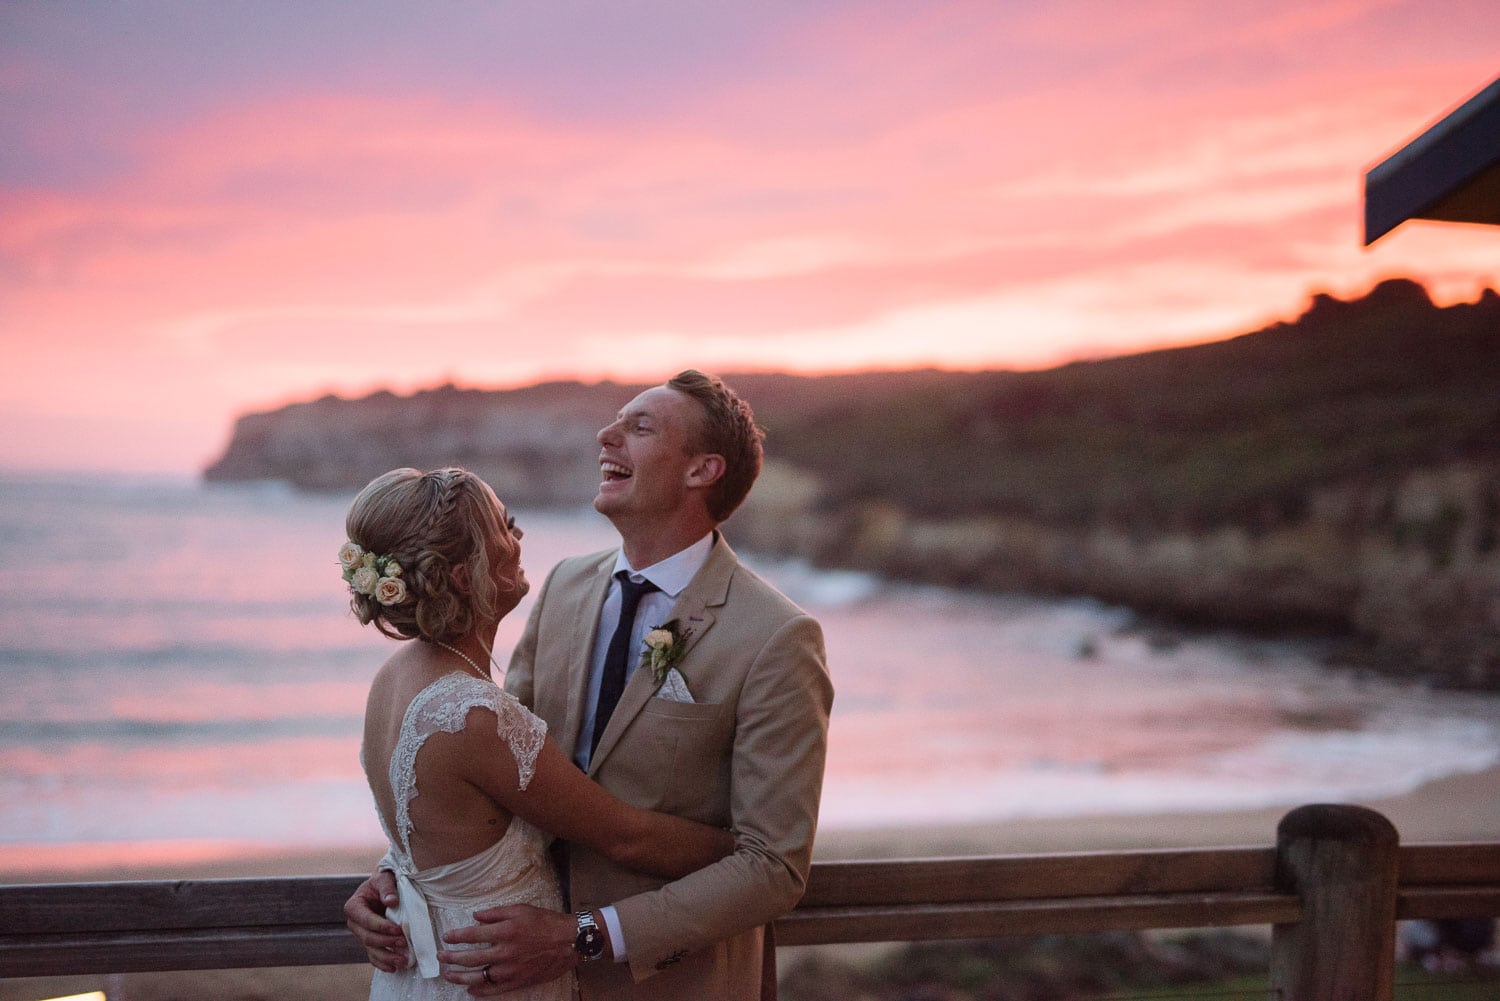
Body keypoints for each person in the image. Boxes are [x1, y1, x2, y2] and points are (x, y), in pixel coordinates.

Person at [346, 371, 835, 1000]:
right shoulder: (564, 587)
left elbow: (773, 868)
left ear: (701, 470)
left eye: (639, 427)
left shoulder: (777, 636)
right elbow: (489, 768)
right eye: (614, 421)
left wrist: (582, 934)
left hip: (675, 983)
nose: (605, 435)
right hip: (517, 975)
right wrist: (404, 872)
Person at [344, 466, 734, 1000]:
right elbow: (624, 835)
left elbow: (432, 824)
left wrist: (392, 872)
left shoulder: (395, 676)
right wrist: (747, 856)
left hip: (421, 975)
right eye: (504, 527)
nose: (519, 537)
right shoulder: (471, 714)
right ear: (462, 575)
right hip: (492, 980)